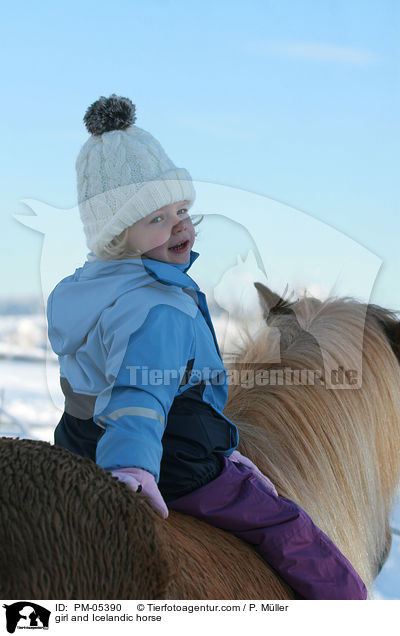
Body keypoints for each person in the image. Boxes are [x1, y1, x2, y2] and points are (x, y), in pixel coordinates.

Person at [47, 94, 367, 600]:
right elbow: (139, 394)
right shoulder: (159, 308)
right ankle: (347, 611)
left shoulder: (87, 292)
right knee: (291, 532)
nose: (180, 225)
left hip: (78, 449)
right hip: (173, 465)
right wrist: (131, 468)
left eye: (181, 209)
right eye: (155, 218)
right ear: (117, 238)